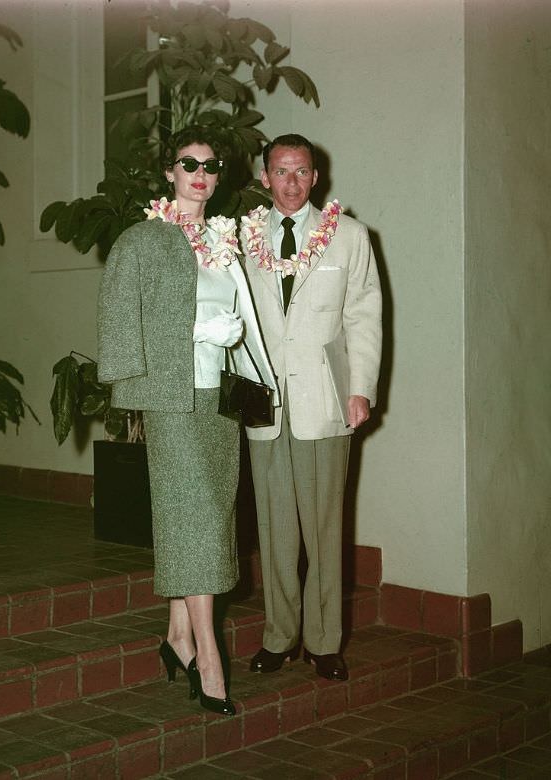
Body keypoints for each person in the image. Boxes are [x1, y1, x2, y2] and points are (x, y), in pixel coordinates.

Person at [97, 126, 278, 715]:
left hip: (218, 400)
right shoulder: (143, 240)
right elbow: (122, 322)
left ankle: (176, 635)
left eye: (210, 166)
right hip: (172, 398)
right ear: (169, 174)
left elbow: (243, 316)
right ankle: (209, 658)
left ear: (219, 176)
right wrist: (192, 332)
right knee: (196, 520)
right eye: (187, 164)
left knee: (206, 516)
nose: (200, 175)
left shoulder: (225, 240)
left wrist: (235, 337)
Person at [241, 133, 382, 681]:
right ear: (264, 177)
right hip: (265, 405)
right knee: (275, 529)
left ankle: (324, 642)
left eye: (301, 172)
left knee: (324, 529)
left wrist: (360, 390)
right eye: (280, 171)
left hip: (324, 401)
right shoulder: (243, 237)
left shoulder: (348, 236)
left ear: (316, 177)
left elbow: (363, 317)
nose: (291, 183)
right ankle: (279, 636)